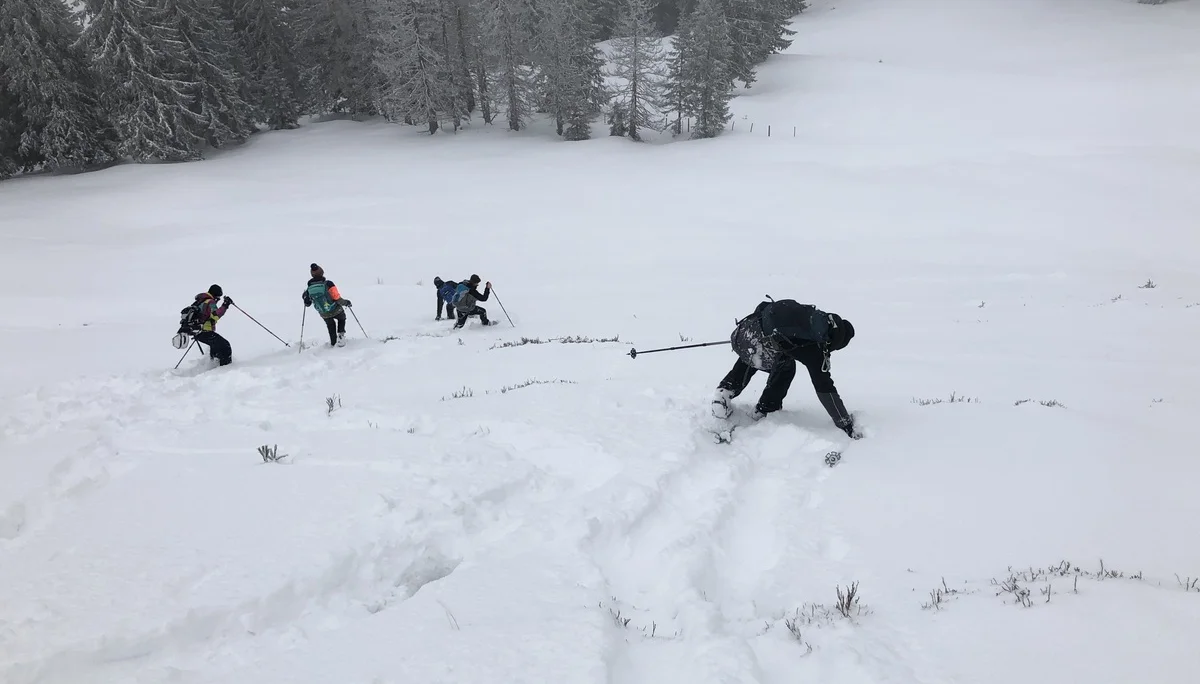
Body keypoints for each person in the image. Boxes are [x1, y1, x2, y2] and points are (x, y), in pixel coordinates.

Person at [711, 298, 861, 438]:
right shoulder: (814, 348)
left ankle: (725, 391)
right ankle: (766, 409)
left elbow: (765, 307)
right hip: (759, 346)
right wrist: (845, 423)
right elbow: (824, 387)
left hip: (746, 331)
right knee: (784, 365)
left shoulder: (808, 314)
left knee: (758, 350)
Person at [302, 263, 353, 347]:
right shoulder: (328, 284)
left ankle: (333, 342)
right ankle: (341, 336)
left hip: (323, 312)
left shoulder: (309, 288)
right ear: (322, 272)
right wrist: (346, 302)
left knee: (330, 325)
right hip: (335, 309)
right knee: (342, 318)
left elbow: (307, 304)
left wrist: (305, 297)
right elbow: (337, 298)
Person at [185, 284, 234, 366]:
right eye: (218, 296)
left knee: (216, 346)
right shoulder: (210, 302)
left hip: (197, 331)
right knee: (225, 346)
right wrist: (225, 305)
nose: (218, 299)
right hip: (205, 331)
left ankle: (213, 366)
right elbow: (215, 315)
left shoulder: (200, 301)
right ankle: (225, 368)